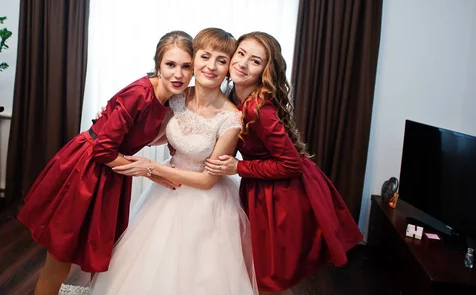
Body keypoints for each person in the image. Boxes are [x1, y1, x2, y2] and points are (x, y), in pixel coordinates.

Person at [18, 31, 194, 295]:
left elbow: (151, 135)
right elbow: (103, 150)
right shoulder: (140, 94)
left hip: (112, 171)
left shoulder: (171, 98)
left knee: (88, 248)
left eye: (186, 66)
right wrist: (150, 171)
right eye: (171, 65)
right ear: (158, 64)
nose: (178, 74)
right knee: (60, 255)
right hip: (87, 169)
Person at [89, 28, 258, 295]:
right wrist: (109, 113)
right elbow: (154, 134)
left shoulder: (231, 118)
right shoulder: (178, 97)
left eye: (221, 60)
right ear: (195, 60)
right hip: (165, 192)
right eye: (205, 56)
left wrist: (152, 168)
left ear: (229, 68)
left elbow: (207, 181)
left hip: (206, 202)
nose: (211, 66)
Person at [206, 32, 363, 295]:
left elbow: (291, 164)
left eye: (255, 61)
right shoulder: (233, 96)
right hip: (264, 185)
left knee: (268, 275)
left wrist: (239, 167)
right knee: (259, 271)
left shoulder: (259, 109)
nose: (243, 64)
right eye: (241, 54)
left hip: (285, 193)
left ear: (264, 72)